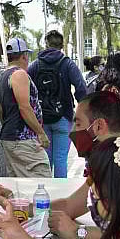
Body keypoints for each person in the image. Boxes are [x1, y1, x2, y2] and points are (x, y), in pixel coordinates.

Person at [0, 90, 120, 239]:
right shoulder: (109, 163)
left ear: (99, 126)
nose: (73, 131)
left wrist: (78, 232)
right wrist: (17, 205)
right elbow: (69, 206)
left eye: (79, 123)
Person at [28, 30, 89, 177]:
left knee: (46, 159)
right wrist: (81, 112)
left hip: (41, 120)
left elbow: (26, 89)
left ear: (46, 44)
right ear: (61, 45)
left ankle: (47, 192)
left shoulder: (35, 65)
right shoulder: (67, 64)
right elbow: (81, 88)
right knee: (61, 159)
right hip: (63, 116)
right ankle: (60, 193)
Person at [0, 37, 52, 177]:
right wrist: (41, 133)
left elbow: (1, 110)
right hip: (23, 139)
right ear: (24, 56)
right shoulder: (19, 74)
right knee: (41, 178)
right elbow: (25, 108)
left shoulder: (4, 76)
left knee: (19, 185)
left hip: (11, 137)